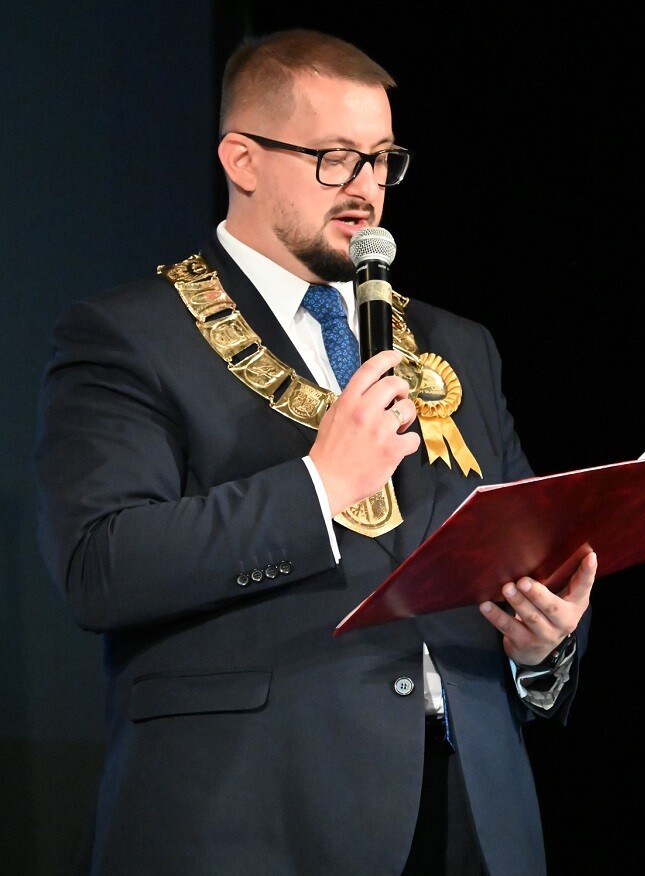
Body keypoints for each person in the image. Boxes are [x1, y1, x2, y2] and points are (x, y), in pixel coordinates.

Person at [34, 28, 596, 876]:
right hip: (251, 819)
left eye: (382, 160)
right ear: (242, 160)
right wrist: (317, 488)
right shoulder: (129, 334)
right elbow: (99, 567)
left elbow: (518, 537)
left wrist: (544, 642)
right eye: (334, 158)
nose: (365, 187)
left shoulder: (457, 345)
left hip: (471, 815)